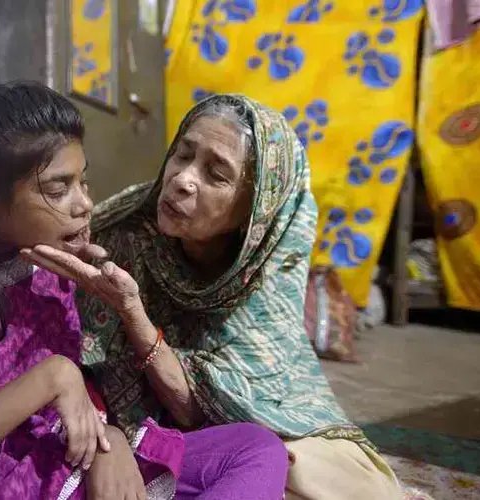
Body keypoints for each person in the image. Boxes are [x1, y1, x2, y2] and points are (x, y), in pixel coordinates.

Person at [0, 82, 288, 500]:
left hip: (50, 457)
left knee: (256, 451)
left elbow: (82, 399)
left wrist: (111, 440)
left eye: (83, 181)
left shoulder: (55, 258)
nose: (85, 204)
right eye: (57, 188)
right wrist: (54, 377)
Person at [23, 94, 403, 500]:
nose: (183, 179)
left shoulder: (263, 271)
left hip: (225, 441)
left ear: (254, 209)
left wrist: (132, 311)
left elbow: (211, 406)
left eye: (216, 175)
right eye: (183, 154)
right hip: (121, 438)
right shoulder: (124, 235)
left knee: (355, 483)